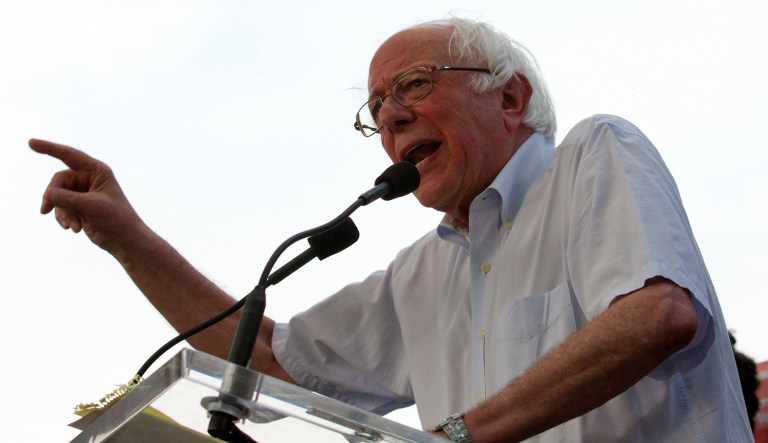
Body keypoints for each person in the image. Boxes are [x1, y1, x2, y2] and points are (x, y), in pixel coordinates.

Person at [31, 17, 752, 442]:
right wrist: (127, 238)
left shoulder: (594, 156)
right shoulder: (421, 274)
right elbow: (271, 363)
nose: (391, 117)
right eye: (375, 108)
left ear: (510, 96)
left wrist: (460, 434)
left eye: (413, 85)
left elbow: (658, 310)